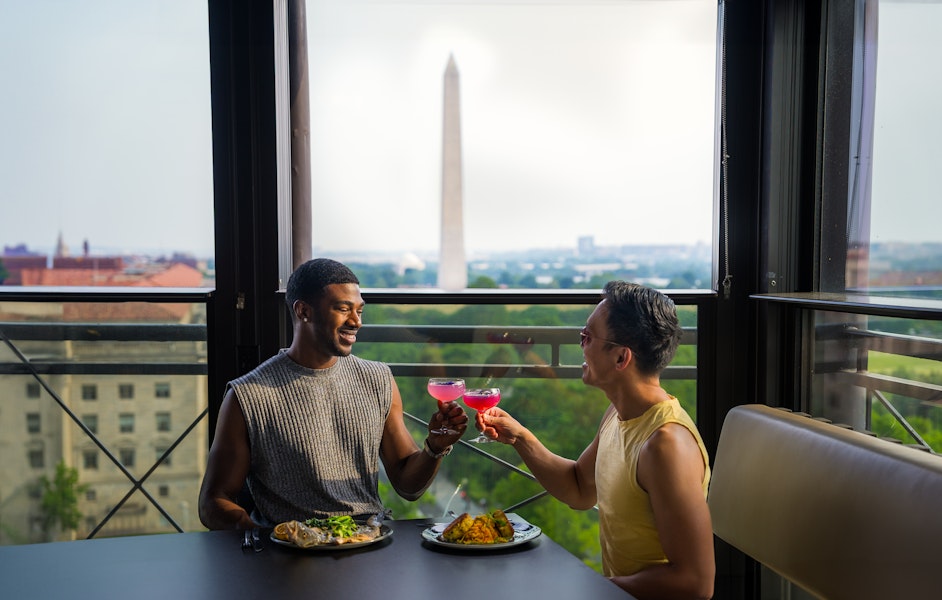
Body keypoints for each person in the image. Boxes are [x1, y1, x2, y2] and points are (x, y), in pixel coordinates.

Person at [476, 281, 714, 599]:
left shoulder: (665, 446)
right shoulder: (617, 415)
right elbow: (579, 489)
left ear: (620, 358)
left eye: (587, 337)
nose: (581, 345)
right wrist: (520, 437)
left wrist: (592, 588)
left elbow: (695, 582)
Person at [198, 258, 468, 530]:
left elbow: (408, 487)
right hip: (292, 558)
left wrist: (434, 447)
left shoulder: (378, 379)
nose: (356, 322)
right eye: (343, 309)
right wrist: (268, 540)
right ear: (303, 311)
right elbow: (213, 502)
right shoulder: (247, 396)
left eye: (359, 311)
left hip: (368, 543)